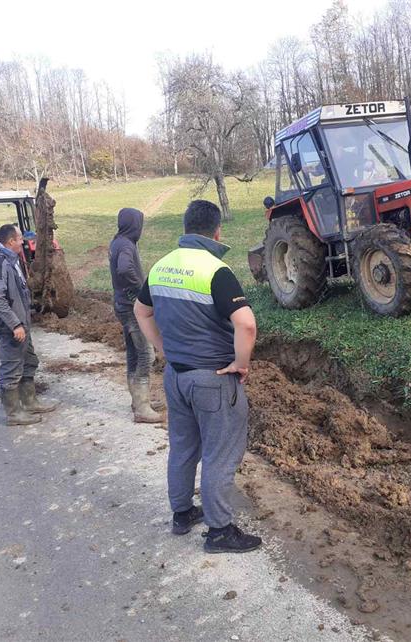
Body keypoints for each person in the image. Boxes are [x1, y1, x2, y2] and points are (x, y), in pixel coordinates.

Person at [134, 200, 261, 554]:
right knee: (221, 454)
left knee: (183, 447)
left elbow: (141, 311)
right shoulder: (215, 271)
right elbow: (246, 323)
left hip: (176, 377)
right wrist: (241, 364)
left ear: (185, 227)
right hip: (213, 380)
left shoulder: (161, 266)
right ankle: (220, 531)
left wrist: (161, 347)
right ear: (217, 231)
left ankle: (182, 513)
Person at [0, 224, 57, 426]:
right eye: (20, 238)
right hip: (9, 327)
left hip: (20, 323)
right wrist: (15, 325)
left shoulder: (11, 258)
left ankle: (29, 402)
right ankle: (14, 413)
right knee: (11, 368)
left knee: (30, 361)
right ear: (10, 241)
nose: (23, 241)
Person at [108, 207, 162, 424]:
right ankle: (141, 408)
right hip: (131, 307)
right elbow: (124, 269)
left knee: (133, 353)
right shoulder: (126, 246)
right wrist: (140, 290)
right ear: (133, 225)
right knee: (145, 355)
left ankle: (139, 400)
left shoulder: (117, 242)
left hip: (121, 304)